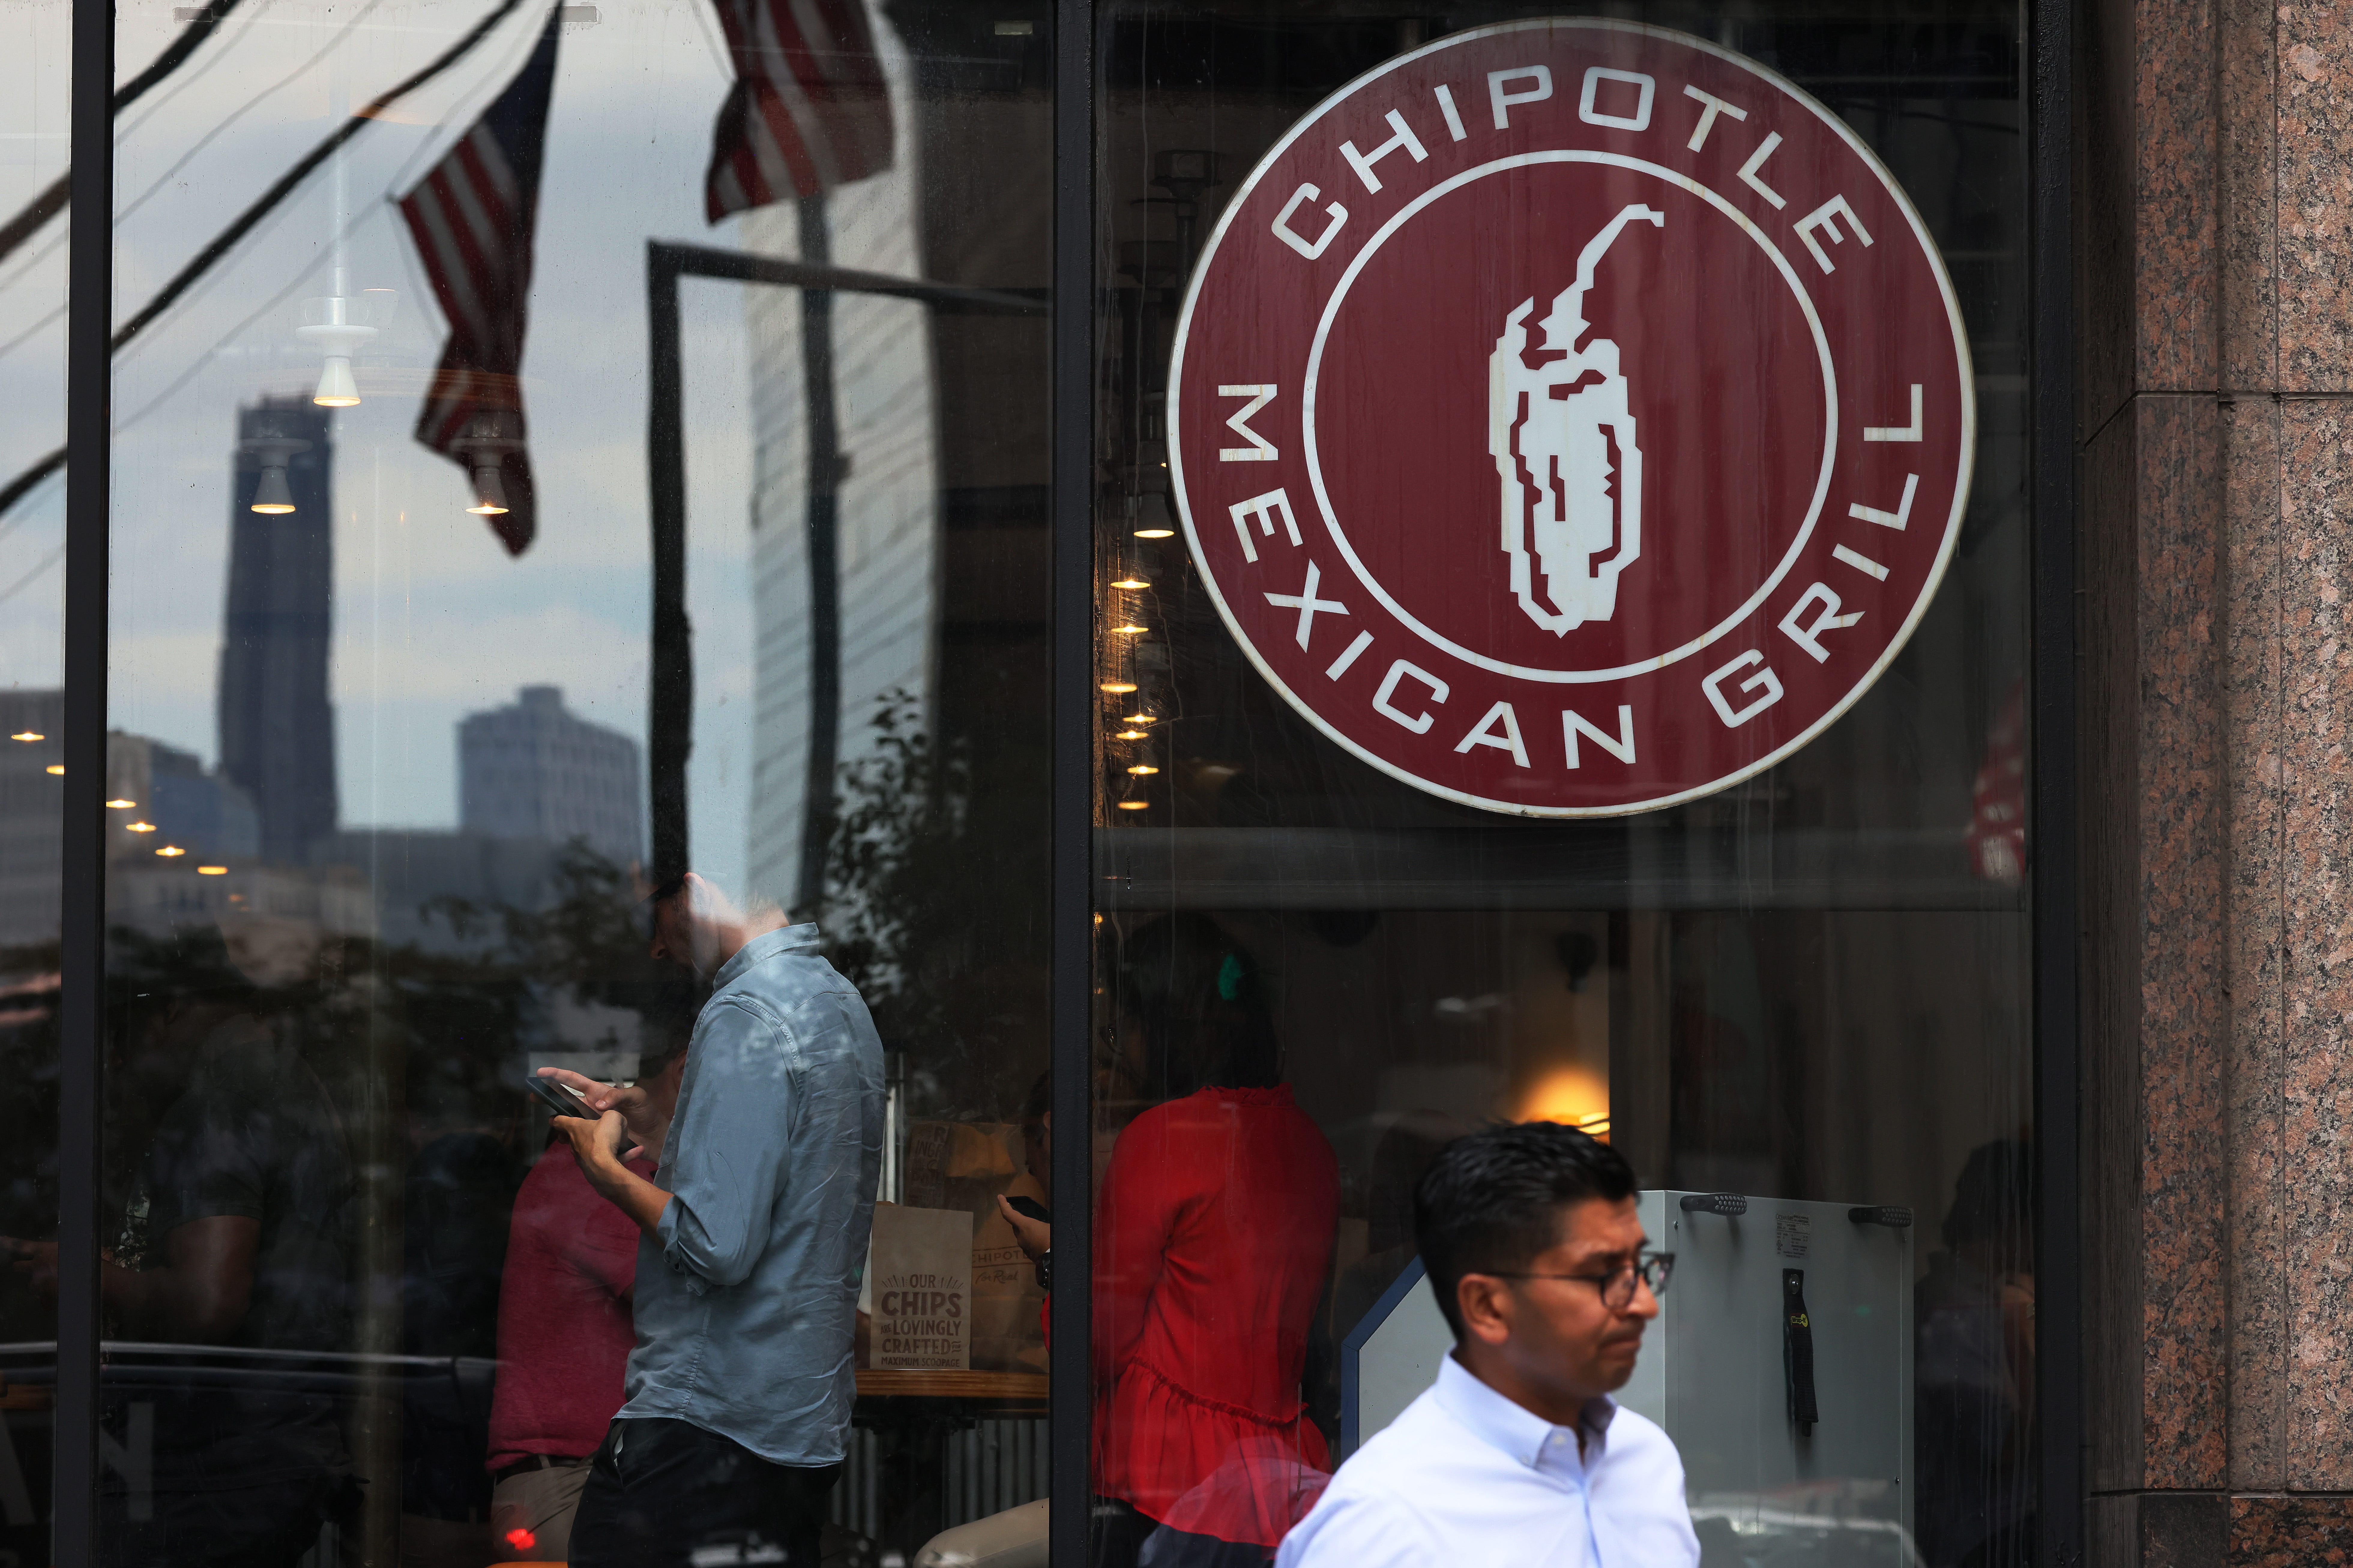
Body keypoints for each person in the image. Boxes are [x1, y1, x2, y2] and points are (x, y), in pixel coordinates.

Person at [537, 871, 884, 1568]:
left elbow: (717, 1245)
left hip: (702, 1427)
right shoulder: (842, 1007)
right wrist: (661, 1129)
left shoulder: (745, 1013)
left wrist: (606, 1173)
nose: (660, 950)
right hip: (796, 1438)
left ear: (691, 892)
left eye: (655, 922)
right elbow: (780, 1194)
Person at [7, 942, 359, 1568]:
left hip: (221, 1459)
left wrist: (90, 1278)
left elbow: (207, 1301)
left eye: (126, 1031)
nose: (121, 1057)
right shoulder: (290, 1081)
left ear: (168, 1010)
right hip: (280, 1440)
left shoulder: (222, 1100)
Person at [1000, 916, 1338, 1568]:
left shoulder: (1161, 1138)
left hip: (1169, 1489)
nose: (1119, 1046)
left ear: (1161, 1030)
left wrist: (1053, 1260)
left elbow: (1096, 1344)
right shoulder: (1310, 1146)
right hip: (1281, 1482)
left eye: (1122, 1025)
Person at [1276, 1122, 1697, 1568]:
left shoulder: (1647, 1462)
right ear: (1488, 1307)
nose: (1646, 1304)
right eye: (1605, 1274)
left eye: (1641, 1267)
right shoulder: (1381, 1527)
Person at [485, 1041, 688, 1562]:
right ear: (689, 1071)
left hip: (607, 1474)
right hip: (575, 1480)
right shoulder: (593, 1180)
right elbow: (700, 1297)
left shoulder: (635, 1178)